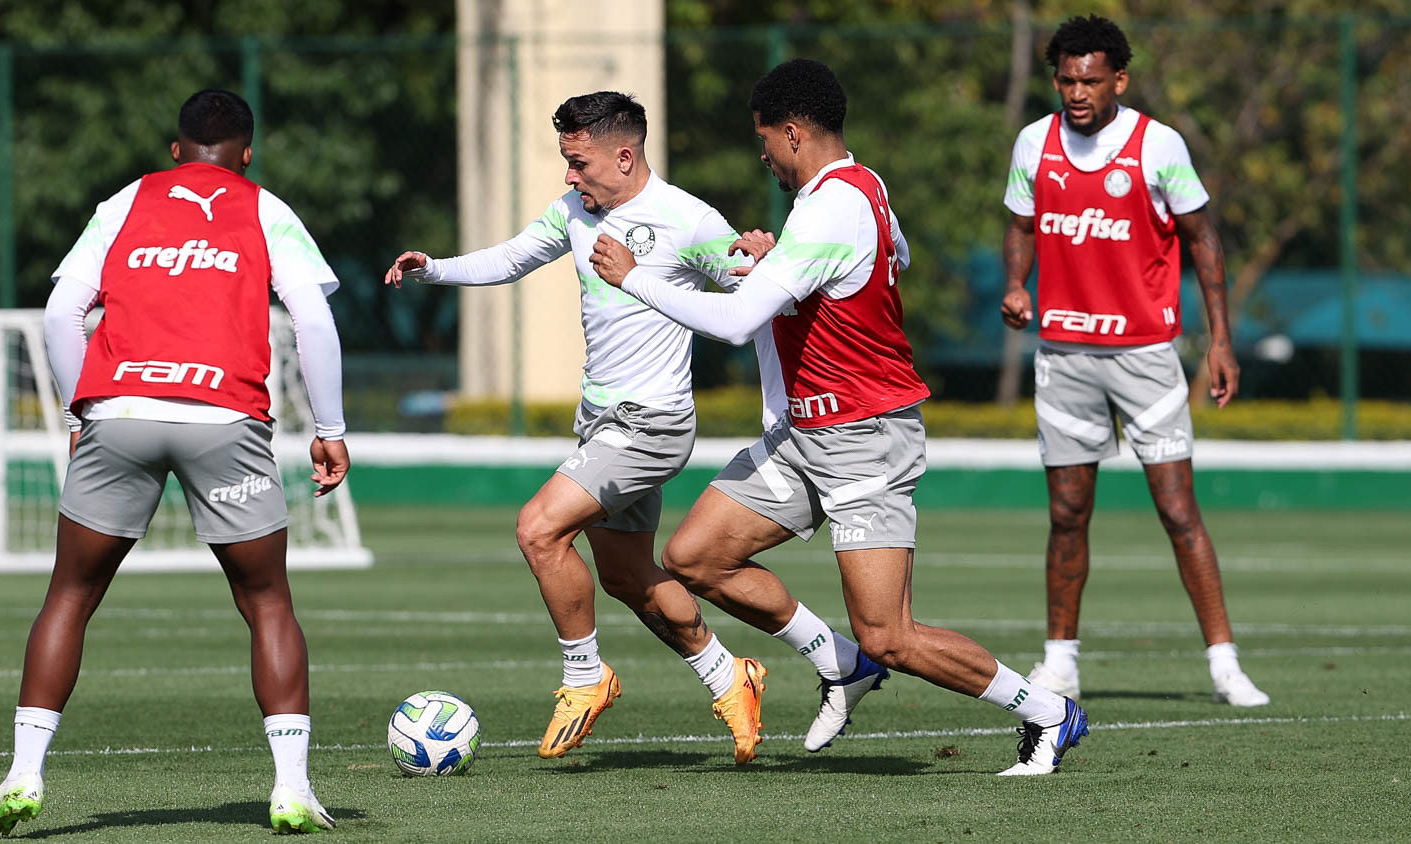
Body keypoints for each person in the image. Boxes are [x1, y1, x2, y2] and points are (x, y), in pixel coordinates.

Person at [593, 58, 1088, 775]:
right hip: (806, 432)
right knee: (696, 557)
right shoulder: (858, 188)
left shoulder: (830, 207)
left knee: (891, 635)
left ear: (793, 133)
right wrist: (780, 261)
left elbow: (736, 324)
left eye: (765, 141)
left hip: (864, 437)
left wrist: (633, 278)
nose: (762, 156)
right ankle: (840, 666)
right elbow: (893, 257)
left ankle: (1047, 712)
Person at [385, 91, 877, 764]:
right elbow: (512, 258)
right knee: (627, 578)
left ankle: (586, 677)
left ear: (624, 154)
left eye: (577, 161)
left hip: (653, 425)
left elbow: (756, 300)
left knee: (538, 528)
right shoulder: (576, 211)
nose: (569, 177)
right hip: (600, 422)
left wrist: (759, 268)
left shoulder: (685, 217)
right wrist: (434, 268)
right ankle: (729, 677)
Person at [0, 89, 346, 835]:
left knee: (70, 596)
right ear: (247, 152)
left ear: (176, 149)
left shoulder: (123, 203)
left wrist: (83, 408)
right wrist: (329, 426)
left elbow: (58, 315)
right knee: (267, 602)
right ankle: (293, 790)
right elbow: (311, 318)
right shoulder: (266, 208)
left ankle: (22, 775)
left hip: (120, 412)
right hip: (223, 419)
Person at [999, 15, 1269, 707]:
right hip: (1064, 356)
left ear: (1119, 79)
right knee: (1067, 512)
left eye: (1091, 80)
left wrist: (1219, 339)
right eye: (1066, 80)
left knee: (1179, 510)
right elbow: (1021, 225)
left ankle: (1225, 664)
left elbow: (1204, 239)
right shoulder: (1035, 142)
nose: (1077, 92)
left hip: (1146, 356)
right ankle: (1059, 663)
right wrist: (1016, 285)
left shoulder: (1159, 146)